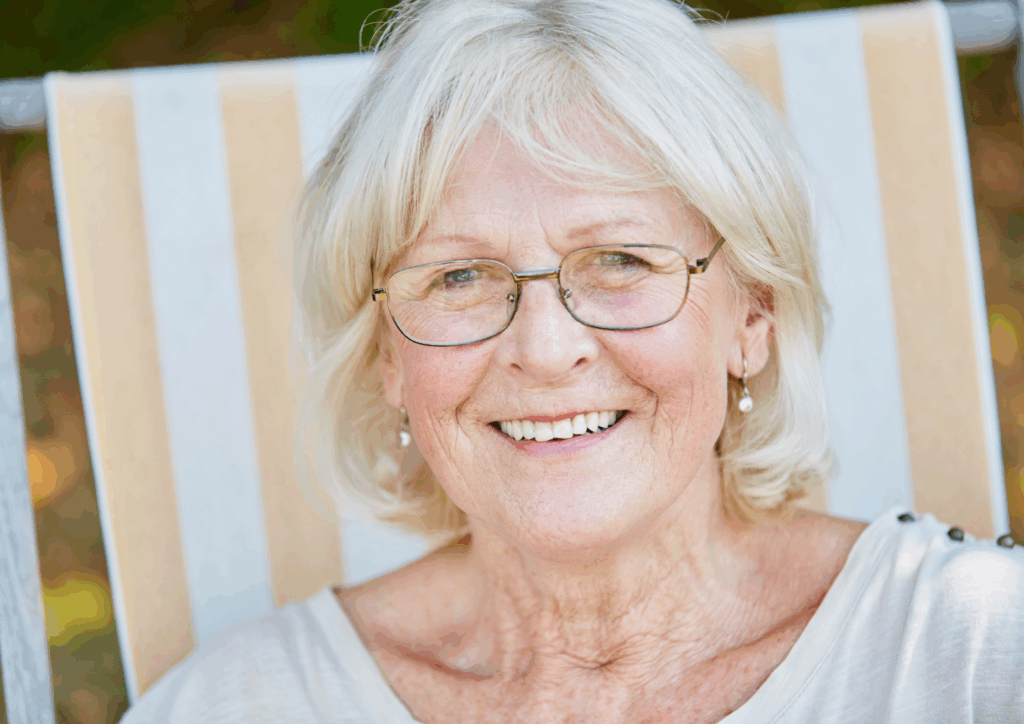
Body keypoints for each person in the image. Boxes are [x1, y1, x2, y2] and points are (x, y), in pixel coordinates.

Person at [123, 0, 1024, 721]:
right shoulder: (244, 703)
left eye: (621, 263)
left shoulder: (973, 656)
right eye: (462, 277)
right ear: (387, 356)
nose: (546, 351)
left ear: (754, 316)